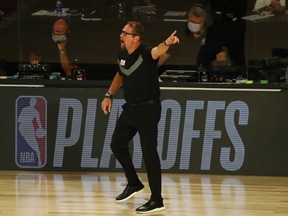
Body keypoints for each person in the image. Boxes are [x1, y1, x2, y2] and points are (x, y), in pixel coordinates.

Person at [101, 21, 179, 214]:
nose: (121, 36)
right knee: (117, 145)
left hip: (149, 110)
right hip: (131, 109)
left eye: (125, 33)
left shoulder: (146, 53)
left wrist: (167, 43)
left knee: (149, 154)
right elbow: (120, 75)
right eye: (122, 32)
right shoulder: (121, 55)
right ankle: (134, 183)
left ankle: (157, 200)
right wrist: (108, 95)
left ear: (136, 38)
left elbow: (158, 51)